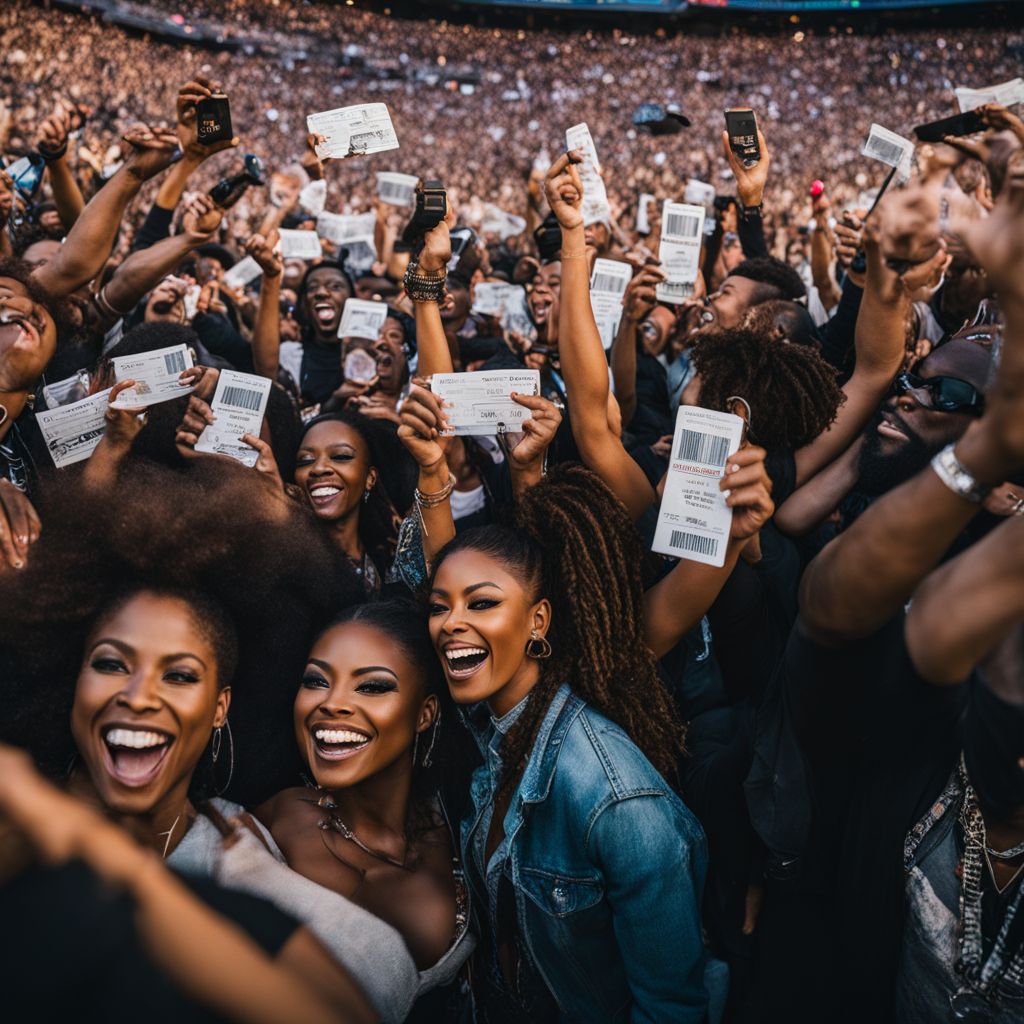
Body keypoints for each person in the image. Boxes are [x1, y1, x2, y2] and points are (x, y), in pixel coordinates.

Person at [254, 601, 476, 1018]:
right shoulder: (276, 825)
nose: (332, 704)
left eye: (371, 686)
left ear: (424, 714)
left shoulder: (462, 827)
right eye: (316, 681)